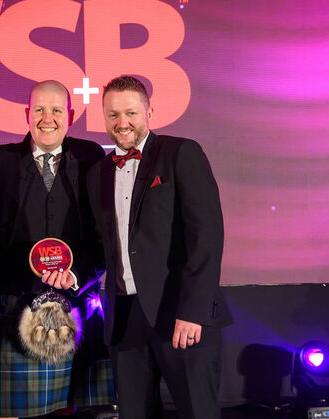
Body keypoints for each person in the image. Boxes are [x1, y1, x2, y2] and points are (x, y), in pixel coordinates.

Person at [86, 75, 233, 419]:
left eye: (131, 113)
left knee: (198, 411)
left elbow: (207, 236)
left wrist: (193, 311)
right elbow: (101, 243)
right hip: (125, 318)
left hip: (179, 313)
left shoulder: (182, 152)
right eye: (113, 115)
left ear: (150, 111)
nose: (122, 123)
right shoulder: (98, 173)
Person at [0, 80, 112, 418]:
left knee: (74, 406)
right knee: (7, 412)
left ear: (71, 115)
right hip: (13, 303)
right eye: (39, 110)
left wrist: (76, 275)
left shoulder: (91, 157)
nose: (47, 118)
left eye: (57, 110)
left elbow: (106, 232)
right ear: (26, 114)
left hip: (77, 303)